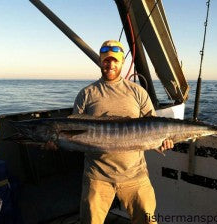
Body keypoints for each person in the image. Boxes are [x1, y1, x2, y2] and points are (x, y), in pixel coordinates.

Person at [72, 40, 173, 224]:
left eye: (115, 61)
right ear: (101, 62)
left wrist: (165, 140)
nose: (110, 65)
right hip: (97, 176)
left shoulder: (138, 92)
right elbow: (74, 132)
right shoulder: (86, 94)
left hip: (135, 176)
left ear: (121, 63)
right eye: (106, 60)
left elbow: (154, 125)